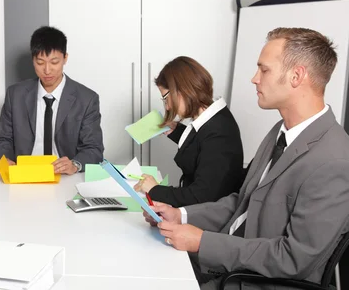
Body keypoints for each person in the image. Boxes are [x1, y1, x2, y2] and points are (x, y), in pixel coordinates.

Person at [144, 28, 349, 289]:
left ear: (296, 76)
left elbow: (294, 259)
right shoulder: (279, 132)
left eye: (264, 70)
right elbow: (243, 203)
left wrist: (203, 242)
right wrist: (181, 215)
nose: (254, 79)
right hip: (228, 268)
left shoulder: (335, 161)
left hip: (251, 281)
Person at [0, 26, 104, 175]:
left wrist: (74, 164)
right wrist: (5, 160)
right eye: (40, 62)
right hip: (24, 176)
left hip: (64, 177)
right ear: (33, 60)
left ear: (65, 58)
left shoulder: (87, 99)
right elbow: (3, 140)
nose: (47, 70)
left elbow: (94, 148)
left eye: (54, 62)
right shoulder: (15, 95)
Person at [133, 56, 244, 207]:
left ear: (182, 90)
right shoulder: (215, 119)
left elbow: (201, 196)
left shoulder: (219, 133)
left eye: (166, 98)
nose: (167, 107)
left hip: (206, 218)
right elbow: (202, 146)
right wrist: (175, 130)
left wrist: (155, 189)